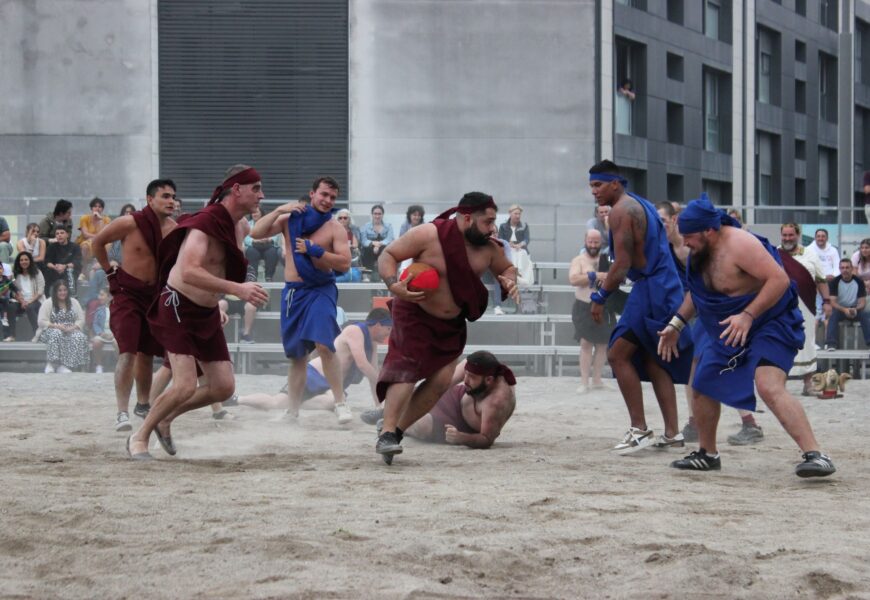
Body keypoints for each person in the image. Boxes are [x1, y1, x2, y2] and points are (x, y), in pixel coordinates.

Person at [658, 195, 836, 477]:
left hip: (770, 321)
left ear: (709, 230)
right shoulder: (700, 252)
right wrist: (676, 324)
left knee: (768, 385)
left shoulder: (741, 244)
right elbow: (697, 292)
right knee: (703, 381)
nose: (686, 243)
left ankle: (816, 455)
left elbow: (778, 280)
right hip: (733, 325)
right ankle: (708, 454)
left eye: (690, 236)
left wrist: (749, 315)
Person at [126, 165, 268, 460]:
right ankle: (139, 437)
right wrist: (236, 290)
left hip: (206, 312)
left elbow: (219, 267)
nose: (261, 195)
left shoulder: (239, 226)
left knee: (223, 387)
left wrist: (218, 300)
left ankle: (165, 419)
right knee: (185, 384)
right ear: (236, 189)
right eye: (255, 189)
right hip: (177, 306)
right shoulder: (205, 222)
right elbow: (189, 271)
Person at [375, 191, 519, 464]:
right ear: (466, 218)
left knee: (442, 381)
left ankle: (395, 431)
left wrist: (509, 280)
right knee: (406, 371)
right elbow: (388, 254)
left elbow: (507, 268)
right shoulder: (429, 235)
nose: (492, 228)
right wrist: (393, 284)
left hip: (451, 323)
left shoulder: (489, 249)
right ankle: (387, 431)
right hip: (415, 312)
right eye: (487, 222)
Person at [587, 160, 693, 454]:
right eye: (591, 186)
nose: (594, 192)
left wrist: (599, 298)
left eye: (598, 185)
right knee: (652, 359)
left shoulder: (621, 210)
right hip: (660, 284)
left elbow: (621, 264)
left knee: (617, 353)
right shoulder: (639, 203)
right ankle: (672, 433)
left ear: (615, 184)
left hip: (652, 288)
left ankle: (640, 429)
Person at [250, 176, 352, 425]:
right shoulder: (289, 220)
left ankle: (340, 404)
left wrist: (315, 250)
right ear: (313, 193)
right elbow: (255, 233)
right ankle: (292, 412)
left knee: (325, 345)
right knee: (297, 356)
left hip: (320, 289)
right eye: (324, 195)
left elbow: (345, 263)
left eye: (332, 197)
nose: (328, 201)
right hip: (294, 292)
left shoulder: (334, 228)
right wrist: (278, 209)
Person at [92, 179, 178, 432]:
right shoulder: (129, 223)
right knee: (127, 351)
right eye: (165, 196)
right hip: (128, 294)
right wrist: (109, 271)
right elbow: (97, 243)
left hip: (155, 295)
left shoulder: (173, 229)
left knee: (147, 353)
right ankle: (121, 412)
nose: (171, 201)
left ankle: (143, 403)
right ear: (150, 199)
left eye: (173, 196)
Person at [231, 308, 393, 412]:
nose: (388, 334)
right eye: (388, 329)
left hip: (332, 384)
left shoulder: (371, 342)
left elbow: (373, 377)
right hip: (315, 375)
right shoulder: (355, 330)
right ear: (377, 325)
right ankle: (237, 400)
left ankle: (297, 404)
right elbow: (363, 365)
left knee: (333, 402)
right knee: (276, 404)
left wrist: (379, 406)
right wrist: (384, 384)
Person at [397, 352, 516, 448]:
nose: (465, 380)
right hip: (454, 398)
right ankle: (390, 414)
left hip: (461, 427)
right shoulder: (475, 367)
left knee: (423, 426)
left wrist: (460, 437)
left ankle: (396, 424)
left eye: (472, 377)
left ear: (489, 380)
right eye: (466, 374)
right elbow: (441, 385)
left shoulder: (497, 401)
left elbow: (487, 439)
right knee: (418, 395)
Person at [779, 223, 831, 395]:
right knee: (781, 343)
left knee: (807, 341)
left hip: (806, 306)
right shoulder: (774, 253)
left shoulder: (810, 254)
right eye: (784, 235)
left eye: (791, 235)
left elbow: (821, 280)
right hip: (781, 307)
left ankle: (808, 383)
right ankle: (780, 385)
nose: (787, 238)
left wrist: (827, 301)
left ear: (798, 235)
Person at [568, 229, 616, 393]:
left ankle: (597, 380)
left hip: (605, 306)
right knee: (585, 343)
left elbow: (617, 275)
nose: (593, 245)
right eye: (590, 241)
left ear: (601, 242)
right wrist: (595, 276)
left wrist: (607, 276)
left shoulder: (608, 258)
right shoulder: (579, 260)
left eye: (596, 242)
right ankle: (584, 382)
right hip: (584, 306)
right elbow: (573, 279)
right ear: (585, 240)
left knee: (603, 345)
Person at [37, 280, 88, 373]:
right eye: (60, 290)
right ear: (55, 291)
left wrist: (72, 328)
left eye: (64, 290)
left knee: (79, 336)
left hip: (70, 330)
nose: (62, 292)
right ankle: (51, 363)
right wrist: (56, 326)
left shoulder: (74, 302)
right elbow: (41, 321)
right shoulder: (48, 302)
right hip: (51, 330)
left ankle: (65, 365)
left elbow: (81, 319)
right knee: (57, 333)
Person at [825, 258, 870, 350]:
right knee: (833, 316)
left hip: (855, 309)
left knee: (865, 315)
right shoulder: (834, 282)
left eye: (847, 267)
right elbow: (833, 302)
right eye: (842, 268)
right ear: (839, 269)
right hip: (840, 309)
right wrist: (844, 310)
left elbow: (862, 302)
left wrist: (855, 309)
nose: (844, 270)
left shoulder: (859, 282)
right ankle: (831, 344)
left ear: (852, 268)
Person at [7, 251, 45, 341]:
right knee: (10, 307)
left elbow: (40, 291)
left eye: (26, 259)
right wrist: (22, 301)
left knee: (30, 307)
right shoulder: (15, 274)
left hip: (35, 300)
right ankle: (12, 335)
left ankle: (38, 335)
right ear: (19, 262)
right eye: (21, 260)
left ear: (30, 261)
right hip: (21, 301)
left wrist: (29, 302)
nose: (24, 262)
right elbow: (12, 292)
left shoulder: (37, 272)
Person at [244, 205, 281, 282]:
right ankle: (252, 276)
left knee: (272, 252)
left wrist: (269, 239)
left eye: (256, 213)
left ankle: (269, 276)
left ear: (261, 213)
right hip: (254, 246)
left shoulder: (268, 223)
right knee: (251, 252)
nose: (254, 214)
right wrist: (254, 241)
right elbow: (245, 238)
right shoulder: (247, 224)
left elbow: (276, 235)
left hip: (268, 245)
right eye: (253, 213)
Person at [43, 228, 82, 294]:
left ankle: (72, 295)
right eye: (57, 234)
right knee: (47, 272)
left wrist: (65, 266)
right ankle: (48, 296)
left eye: (62, 233)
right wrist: (55, 267)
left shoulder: (75, 247)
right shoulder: (51, 247)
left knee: (69, 271)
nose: (59, 235)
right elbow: (47, 262)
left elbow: (77, 262)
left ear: (67, 235)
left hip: (69, 269)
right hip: (55, 269)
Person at [359, 204, 395, 274]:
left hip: (383, 246)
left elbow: (389, 239)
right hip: (370, 247)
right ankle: (367, 274)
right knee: (367, 250)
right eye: (375, 214)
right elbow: (364, 241)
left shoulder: (388, 226)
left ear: (383, 215)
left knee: (385, 250)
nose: (377, 216)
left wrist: (379, 244)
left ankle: (384, 274)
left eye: (379, 214)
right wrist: (373, 244)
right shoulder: (366, 226)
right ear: (372, 214)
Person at [76, 197, 111, 264]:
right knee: (85, 246)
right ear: (91, 208)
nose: (97, 208)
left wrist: (100, 219)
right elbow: (85, 235)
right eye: (95, 206)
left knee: (109, 246)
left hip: (101, 242)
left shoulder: (107, 219)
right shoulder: (85, 218)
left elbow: (104, 235)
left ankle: (103, 266)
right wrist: (97, 237)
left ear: (102, 209)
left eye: (100, 207)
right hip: (86, 241)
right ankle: (84, 270)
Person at [90, 287, 115, 374]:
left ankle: (119, 365)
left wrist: (114, 334)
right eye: (99, 295)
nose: (99, 297)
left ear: (109, 297)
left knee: (118, 343)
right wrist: (100, 333)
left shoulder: (117, 309)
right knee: (96, 342)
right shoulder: (99, 310)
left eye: (102, 295)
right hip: (102, 334)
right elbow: (95, 324)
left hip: (114, 335)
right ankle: (99, 365)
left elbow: (120, 323)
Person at [335, 208, 362, 282]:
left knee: (354, 276)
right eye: (340, 218)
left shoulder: (353, 230)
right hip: (337, 259)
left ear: (349, 219)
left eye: (345, 218)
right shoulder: (334, 231)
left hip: (351, 259)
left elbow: (355, 245)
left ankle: (334, 281)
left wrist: (348, 246)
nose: (342, 220)